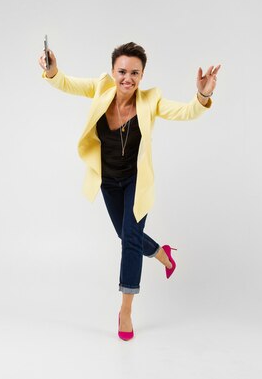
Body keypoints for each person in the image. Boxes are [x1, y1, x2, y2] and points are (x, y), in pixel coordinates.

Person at [38, 42, 220, 341]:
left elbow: (187, 112)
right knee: (127, 234)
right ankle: (162, 253)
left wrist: (203, 94)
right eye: (122, 71)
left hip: (136, 181)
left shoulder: (151, 101)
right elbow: (66, 83)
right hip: (108, 181)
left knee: (129, 242)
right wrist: (52, 70)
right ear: (113, 72)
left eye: (135, 73)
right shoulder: (100, 88)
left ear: (142, 75)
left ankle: (125, 310)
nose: (128, 78)